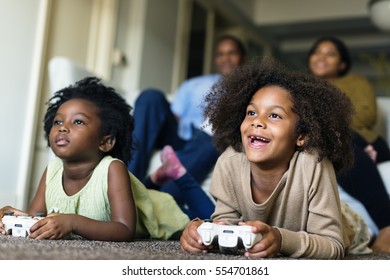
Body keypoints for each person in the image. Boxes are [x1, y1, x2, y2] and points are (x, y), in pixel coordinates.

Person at [179, 57, 372, 259]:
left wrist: (280, 239)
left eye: (274, 116)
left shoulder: (312, 164)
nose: (257, 122)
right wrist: (204, 236)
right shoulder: (230, 162)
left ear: (301, 136)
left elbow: (333, 244)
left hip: (347, 224)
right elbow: (225, 224)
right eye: (251, 112)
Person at [0, 77, 189, 241]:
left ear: (105, 142)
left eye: (78, 121)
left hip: (165, 216)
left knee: (200, 219)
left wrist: (72, 221)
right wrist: (12, 216)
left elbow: (125, 229)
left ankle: (171, 179)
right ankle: (155, 180)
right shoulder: (52, 169)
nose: (63, 127)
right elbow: (36, 219)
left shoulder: (113, 169)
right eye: (58, 121)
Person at [129, 35, 247, 219]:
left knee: (211, 142)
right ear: (216, 59)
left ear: (242, 57)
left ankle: (154, 203)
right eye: (221, 54)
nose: (226, 58)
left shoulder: (251, 88)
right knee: (150, 96)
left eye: (232, 53)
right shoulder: (194, 85)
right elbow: (173, 116)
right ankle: (126, 184)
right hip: (181, 136)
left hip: (209, 140)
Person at [307, 36, 390, 252]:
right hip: (323, 141)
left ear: (342, 64)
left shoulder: (356, 83)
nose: (321, 57)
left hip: (362, 139)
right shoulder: (302, 88)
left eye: (330, 53)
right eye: (317, 52)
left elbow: (366, 115)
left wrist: (327, 122)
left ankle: (388, 225)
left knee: (339, 140)